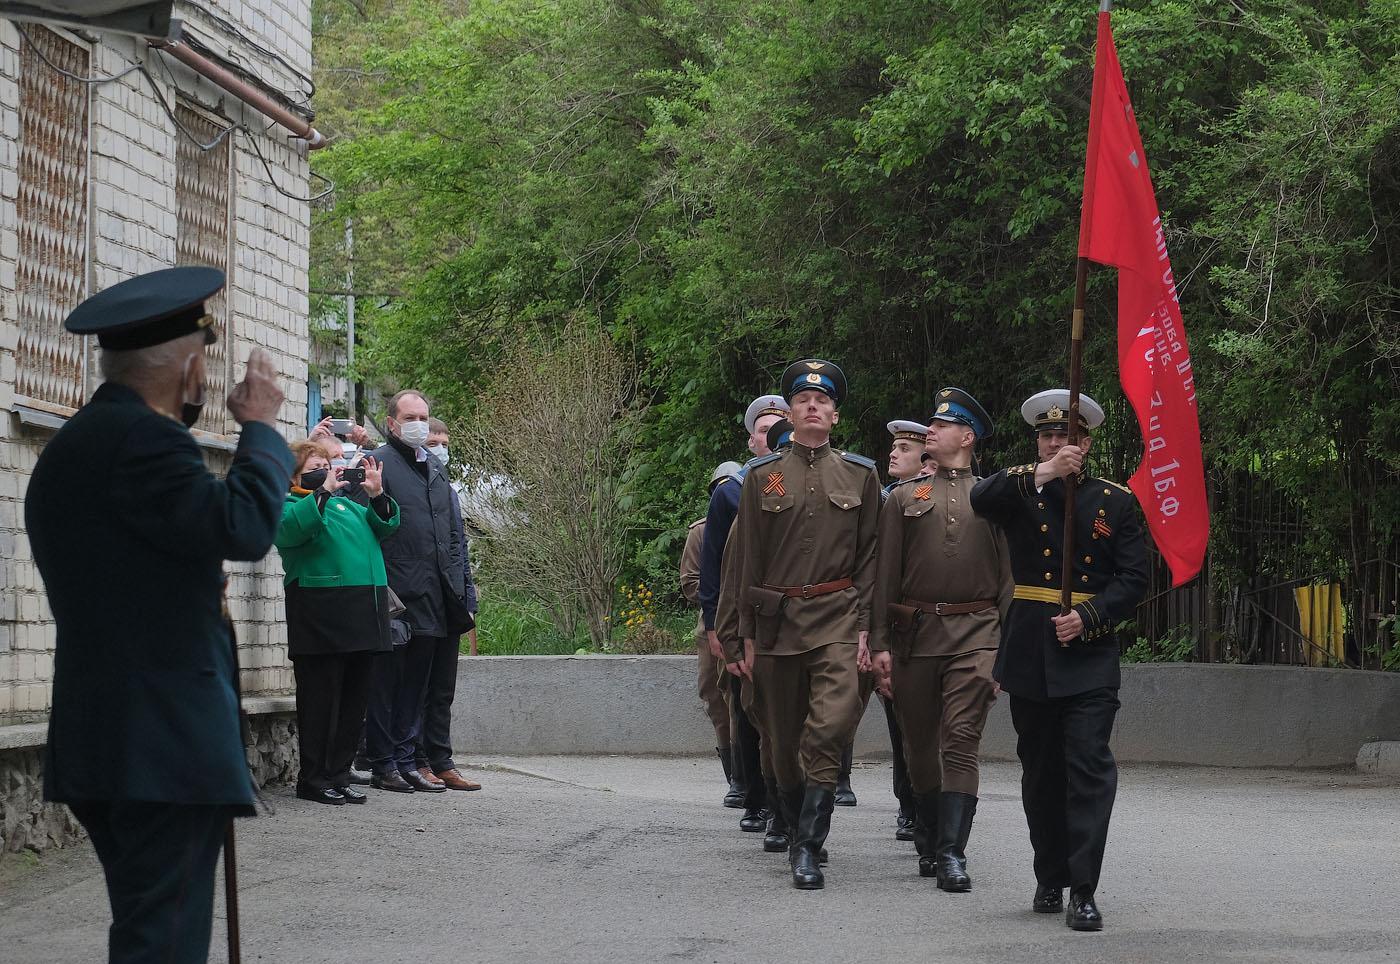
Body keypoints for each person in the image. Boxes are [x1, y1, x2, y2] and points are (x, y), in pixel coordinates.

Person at [27, 266, 293, 963]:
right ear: (189, 367)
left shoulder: (74, 447)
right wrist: (261, 430)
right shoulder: (145, 443)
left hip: (111, 737)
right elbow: (243, 526)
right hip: (160, 745)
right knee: (164, 943)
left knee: (148, 928)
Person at [969, 389, 1149, 931]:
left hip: (1088, 656)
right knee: (1041, 772)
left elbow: (1134, 578)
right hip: (1029, 651)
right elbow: (980, 496)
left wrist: (1090, 617)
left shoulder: (1115, 501)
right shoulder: (1023, 489)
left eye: (1065, 436)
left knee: (1089, 770)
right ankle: (1050, 874)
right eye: (1047, 436)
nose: (1055, 443)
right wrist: (1045, 470)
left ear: (1086, 444)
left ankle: (1084, 888)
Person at [721, 359, 881, 890]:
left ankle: (810, 844)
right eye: (803, 400)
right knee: (783, 742)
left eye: (823, 401)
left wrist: (867, 629)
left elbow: (871, 559)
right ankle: (793, 826)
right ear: (791, 411)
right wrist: (739, 636)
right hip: (777, 625)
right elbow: (745, 562)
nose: (813, 406)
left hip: (837, 617)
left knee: (830, 726)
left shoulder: (860, 475)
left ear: (835, 415)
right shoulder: (762, 478)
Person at [871, 388, 1011, 891]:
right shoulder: (907, 498)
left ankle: (953, 853)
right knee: (920, 746)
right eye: (931, 423)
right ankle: (930, 833)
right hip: (916, 636)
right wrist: (880, 643)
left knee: (960, 741)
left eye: (942, 425)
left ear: (967, 436)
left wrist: (1004, 654)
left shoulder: (993, 497)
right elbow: (885, 576)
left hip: (977, 635)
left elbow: (1009, 582)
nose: (931, 430)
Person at [275, 442, 400, 806]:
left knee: (353, 699)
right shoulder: (287, 504)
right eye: (318, 466)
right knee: (320, 699)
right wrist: (323, 492)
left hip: (362, 607)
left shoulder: (348, 504)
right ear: (296, 475)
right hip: (320, 610)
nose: (330, 470)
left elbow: (386, 526)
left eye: (330, 464)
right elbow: (289, 531)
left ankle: (339, 773)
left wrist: (376, 494)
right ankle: (313, 778)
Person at [364, 390, 475, 793]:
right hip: (395, 595)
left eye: (424, 417)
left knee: (418, 686)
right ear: (392, 422)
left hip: (434, 593)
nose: (419, 425)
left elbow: (451, 534)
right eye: (410, 417)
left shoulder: (433, 468)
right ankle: (384, 762)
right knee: (387, 684)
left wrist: (459, 590)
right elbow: (367, 527)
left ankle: (409, 759)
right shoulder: (377, 463)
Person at [699, 394, 790, 838]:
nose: (771, 436)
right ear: (753, 439)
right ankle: (755, 798)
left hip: (792, 620)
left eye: (780, 426)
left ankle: (784, 805)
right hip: (743, 618)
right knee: (748, 711)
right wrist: (716, 625)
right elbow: (714, 565)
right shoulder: (732, 491)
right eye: (764, 429)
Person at [407, 417, 483, 790]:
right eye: (432, 440)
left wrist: (467, 596)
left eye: (441, 441)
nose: (437, 446)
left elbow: (459, 546)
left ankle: (442, 760)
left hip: (449, 599)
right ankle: (418, 759)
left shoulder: (445, 487)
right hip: (418, 599)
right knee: (417, 688)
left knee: (442, 690)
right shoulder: (408, 478)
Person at [871, 418, 932, 840]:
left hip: (935, 624)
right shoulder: (884, 501)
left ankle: (933, 807)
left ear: (926, 462)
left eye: (904, 450)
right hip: (898, 623)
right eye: (894, 448)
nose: (894, 454)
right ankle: (907, 803)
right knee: (901, 724)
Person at [680, 461, 743, 806]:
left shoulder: (757, 524)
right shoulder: (701, 532)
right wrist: (717, 601)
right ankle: (733, 776)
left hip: (748, 624)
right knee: (716, 700)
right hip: (712, 626)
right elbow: (690, 580)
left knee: (745, 703)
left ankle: (750, 777)